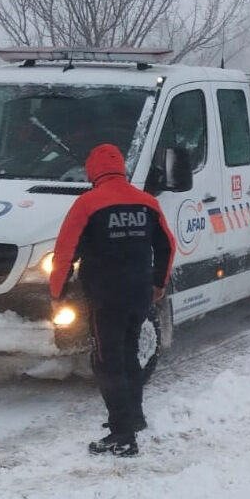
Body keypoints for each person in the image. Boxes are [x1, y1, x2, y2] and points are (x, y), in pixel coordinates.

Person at [50, 143, 175, 457]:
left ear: (93, 171)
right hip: (139, 294)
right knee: (130, 354)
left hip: (106, 297)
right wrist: (158, 283)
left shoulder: (87, 204)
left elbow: (64, 254)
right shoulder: (147, 203)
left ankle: (123, 435)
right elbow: (167, 246)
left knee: (107, 362)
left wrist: (57, 293)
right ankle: (134, 417)